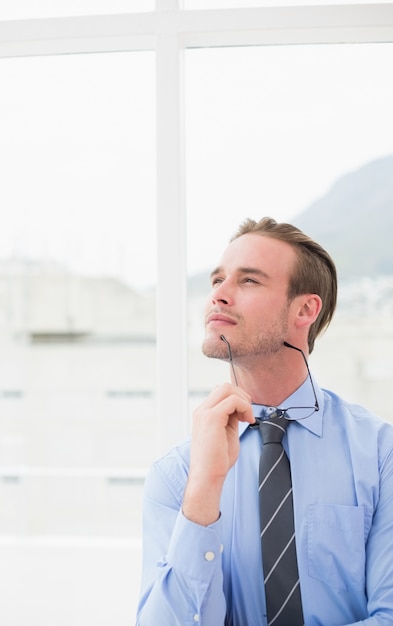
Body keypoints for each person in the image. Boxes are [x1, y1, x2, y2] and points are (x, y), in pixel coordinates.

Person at [136, 217, 393, 625]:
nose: (219, 295)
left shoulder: (381, 454)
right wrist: (203, 490)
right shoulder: (178, 474)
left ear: (305, 309)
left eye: (248, 281)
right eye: (217, 280)